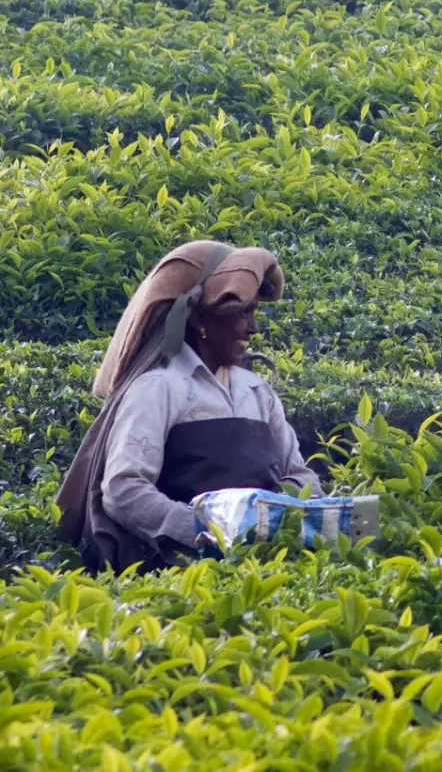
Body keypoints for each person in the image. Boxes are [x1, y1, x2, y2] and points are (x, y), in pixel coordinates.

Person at [56, 241, 319, 571]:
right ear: (198, 318)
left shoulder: (257, 391)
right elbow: (123, 489)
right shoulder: (159, 388)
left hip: (264, 566)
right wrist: (200, 531)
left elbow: (299, 473)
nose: (253, 328)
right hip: (181, 571)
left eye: (254, 312)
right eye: (243, 314)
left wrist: (276, 514)